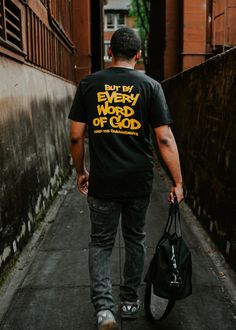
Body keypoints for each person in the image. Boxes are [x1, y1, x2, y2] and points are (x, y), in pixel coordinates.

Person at [69, 27, 184, 330]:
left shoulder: (89, 84)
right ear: (138, 55)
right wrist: (178, 181)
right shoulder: (150, 86)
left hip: (103, 181)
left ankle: (104, 310)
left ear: (110, 53)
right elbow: (164, 140)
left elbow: (76, 137)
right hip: (138, 181)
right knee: (135, 239)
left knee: (101, 243)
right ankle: (130, 300)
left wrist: (81, 172)